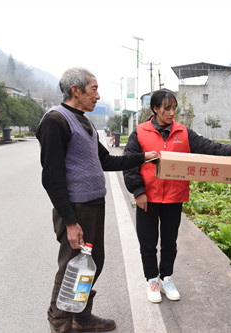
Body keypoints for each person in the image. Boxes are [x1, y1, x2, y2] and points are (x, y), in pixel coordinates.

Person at [36, 67, 159, 333]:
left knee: (93, 262)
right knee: (71, 265)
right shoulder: (55, 121)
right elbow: (52, 178)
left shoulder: (85, 122)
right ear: (75, 91)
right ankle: (59, 323)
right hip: (76, 208)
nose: (98, 95)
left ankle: (81, 315)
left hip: (93, 205)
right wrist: (70, 221)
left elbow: (106, 160)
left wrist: (144, 157)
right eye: (93, 89)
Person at [123, 89, 231, 303]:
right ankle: (152, 281)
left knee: (169, 242)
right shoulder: (140, 133)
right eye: (167, 108)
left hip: (174, 197)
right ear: (155, 109)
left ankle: (166, 278)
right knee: (148, 243)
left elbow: (208, 147)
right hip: (147, 197)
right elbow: (130, 164)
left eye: (174, 108)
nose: (171, 113)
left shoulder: (183, 133)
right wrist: (138, 191)